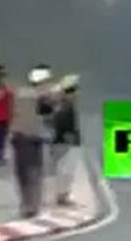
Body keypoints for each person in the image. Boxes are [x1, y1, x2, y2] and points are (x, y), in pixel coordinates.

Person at [10, 65, 56, 218]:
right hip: (33, 137)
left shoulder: (20, 93)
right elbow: (48, 112)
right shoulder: (42, 96)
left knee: (22, 173)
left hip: (19, 136)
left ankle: (26, 204)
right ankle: (32, 205)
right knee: (34, 172)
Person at [49, 74, 80, 206]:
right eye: (72, 91)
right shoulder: (63, 109)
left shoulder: (67, 107)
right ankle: (62, 196)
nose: (75, 95)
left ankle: (64, 194)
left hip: (66, 142)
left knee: (66, 170)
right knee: (65, 169)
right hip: (64, 143)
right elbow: (59, 126)